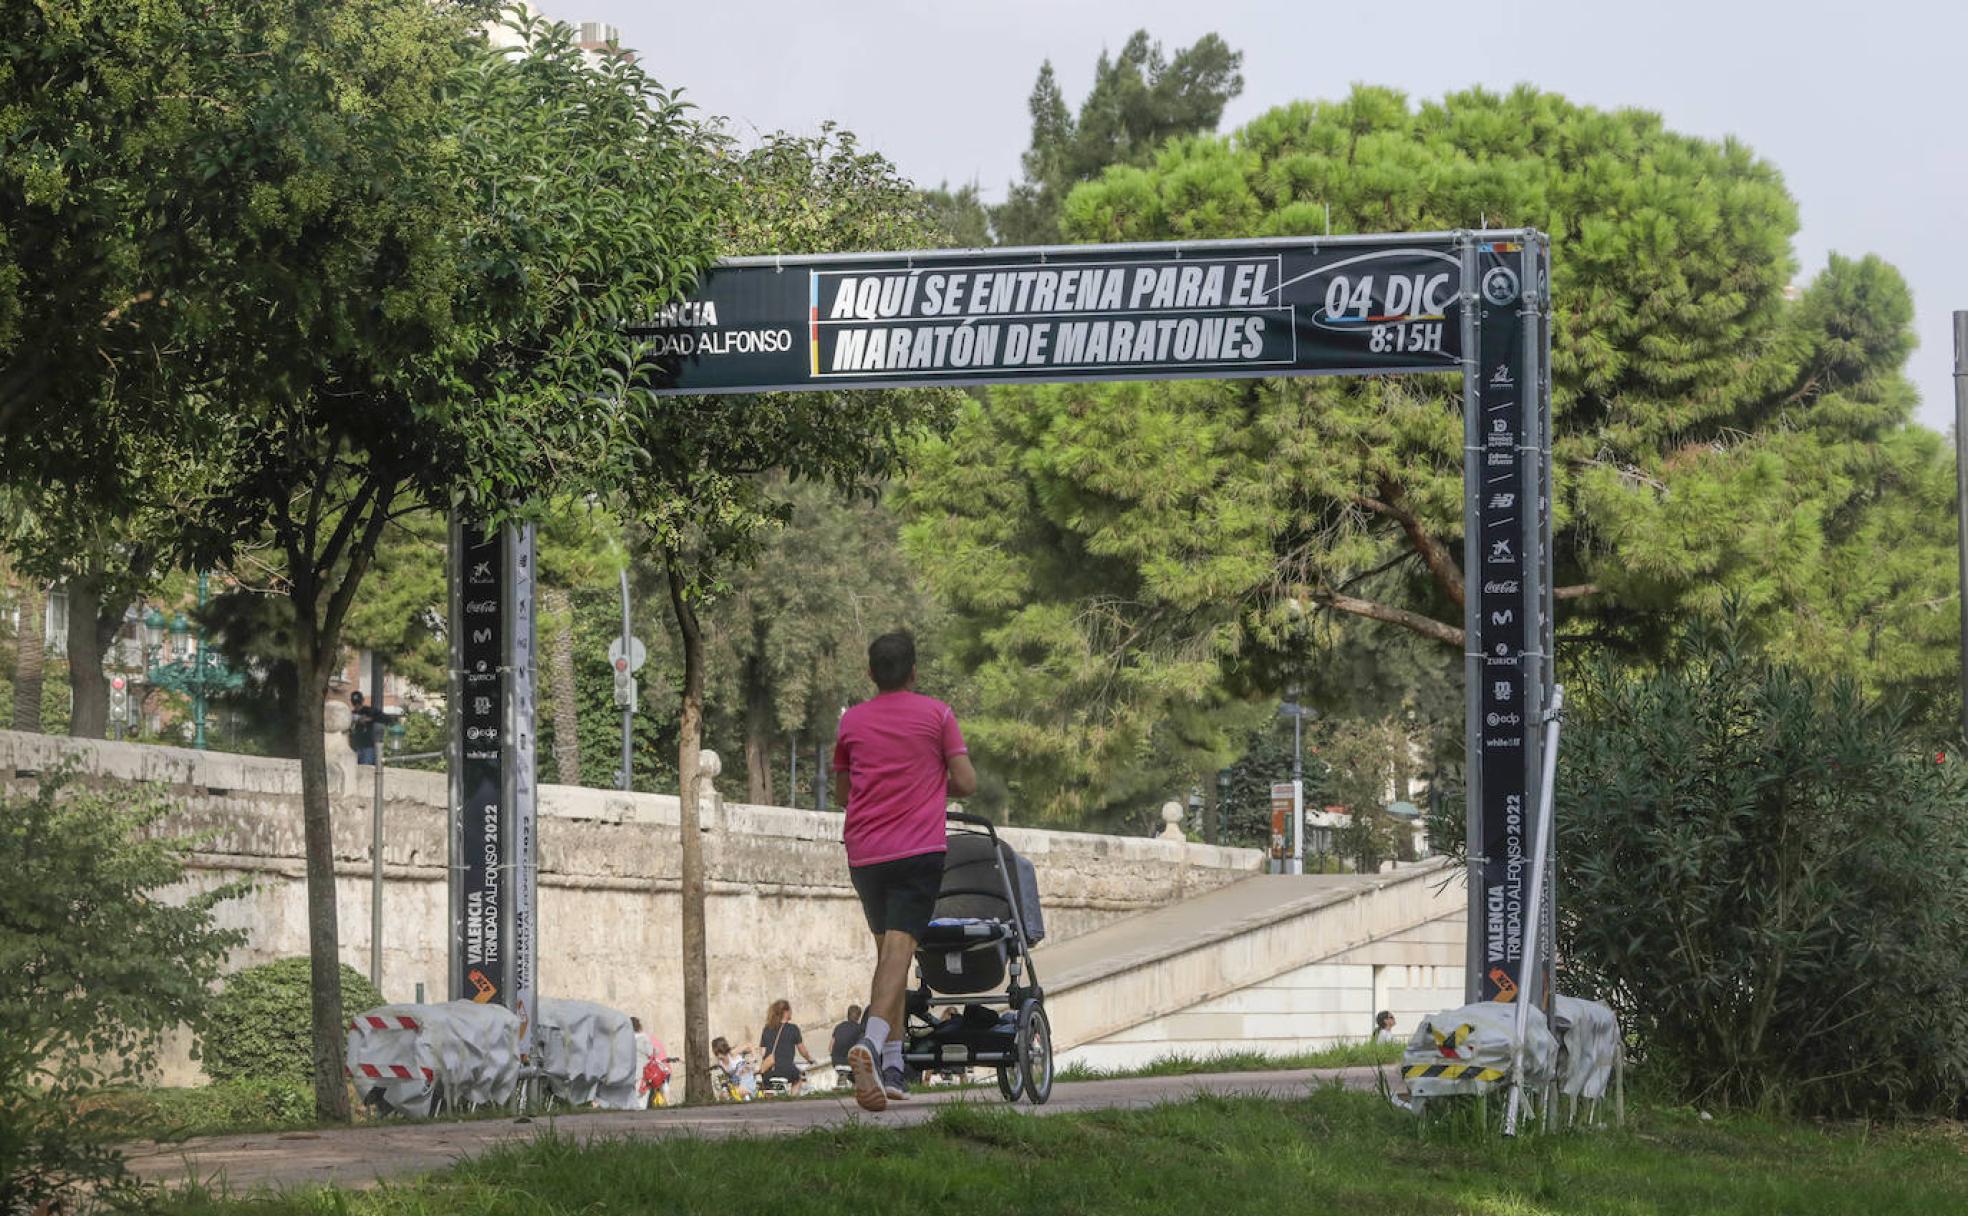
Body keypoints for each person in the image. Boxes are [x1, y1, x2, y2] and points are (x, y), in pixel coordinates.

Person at [832, 630, 977, 1112]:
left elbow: (843, 793)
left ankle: (893, 1068)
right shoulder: (937, 715)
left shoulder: (851, 722)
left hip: (865, 852)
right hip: (917, 849)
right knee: (900, 950)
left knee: (887, 958)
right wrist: (930, 777)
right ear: (914, 672)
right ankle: (871, 1043)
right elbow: (967, 782)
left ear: (871, 674)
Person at [758, 999, 815, 1095]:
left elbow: (763, 1052)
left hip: (768, 1070)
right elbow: (802, 1051)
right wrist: (810, 1059)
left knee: (768, 1087)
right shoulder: (793, 1029)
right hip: (786, 1069)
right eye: (790, 1010)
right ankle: (792, 1100)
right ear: (786, 1012)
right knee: (798, 1078)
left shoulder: (767, 1028)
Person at [711, 1035, 757, 1100]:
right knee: (725, 1094)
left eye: (719, 1052)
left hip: (745, 1076)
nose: (719, 1056)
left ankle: (748, 1097)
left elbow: (749, 1045)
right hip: (735, 1080)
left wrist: (754, 1059)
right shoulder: (720, 1062)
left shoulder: (732, 1053)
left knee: (740, 1092)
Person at [349, 690, 382, 765]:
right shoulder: (351, 713)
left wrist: (362, 719)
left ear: (362, 701)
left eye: (358, 703)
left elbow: (374, 717)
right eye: (355, 703)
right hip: (355, 746)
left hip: (367, 746)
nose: (357, 705)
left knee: (367, 768)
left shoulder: (368, 710)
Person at [829, 1004, 864, 1069]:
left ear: (847, 1015)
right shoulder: (859, 1029)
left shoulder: (838, 1027)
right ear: (859, 1017)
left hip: (835, 1062)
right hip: (850, 1063)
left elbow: (830, 1048)